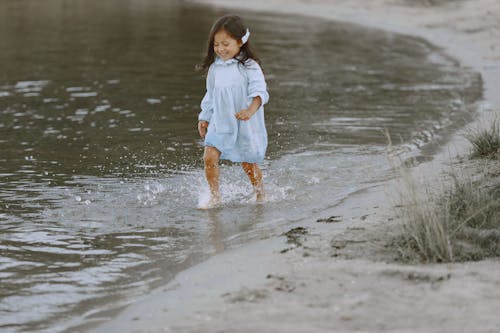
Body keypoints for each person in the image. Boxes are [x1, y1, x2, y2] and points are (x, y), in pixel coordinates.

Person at [197, 14, 269, 209]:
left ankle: (261, 194)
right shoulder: (215, 69)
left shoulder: (249, 66)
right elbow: (210, 95)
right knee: (209, 157)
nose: (220, 49)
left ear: (240, 42)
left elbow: (260, 91)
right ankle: (215, 196)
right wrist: (204, 117)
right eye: (216, 44)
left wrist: (250, 110)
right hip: (220, 121)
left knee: (248, 163)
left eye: (225, 44)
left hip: (245, 122)